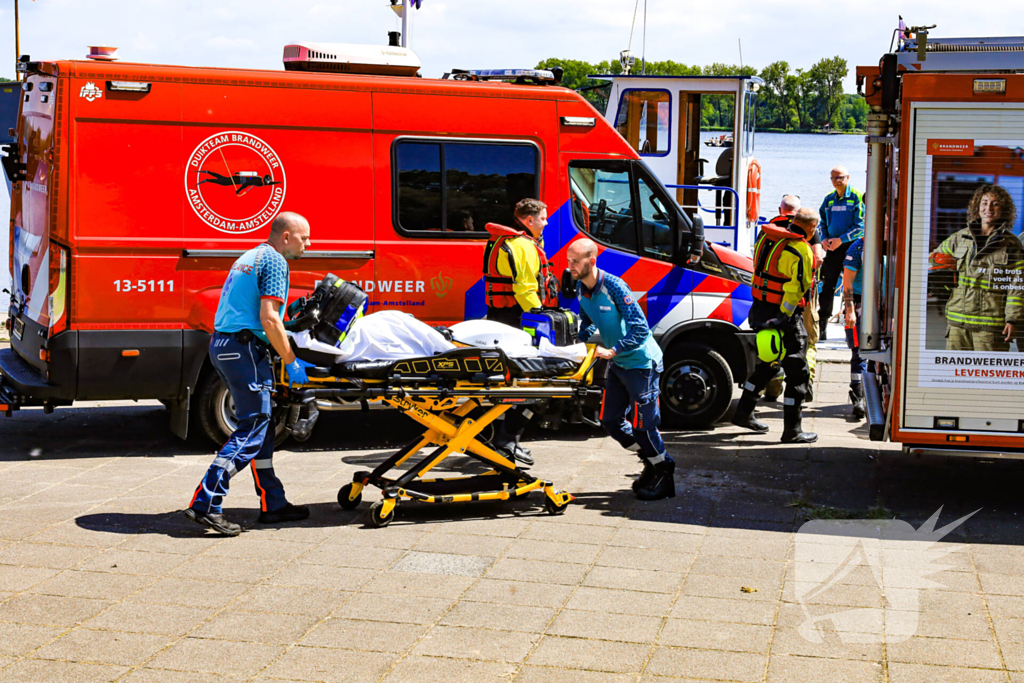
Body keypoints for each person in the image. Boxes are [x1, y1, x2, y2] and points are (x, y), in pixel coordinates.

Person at [185, 212, 313, 536]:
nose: (308, 244)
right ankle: (206, 503)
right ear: (286, 237)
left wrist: (289, 323)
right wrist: (291, 360)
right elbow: (269, 319)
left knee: (263, 425)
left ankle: (274, 503)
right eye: (304, 238)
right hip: (243, 351)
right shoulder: (275, 262)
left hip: (226, 345)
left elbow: (260, 314)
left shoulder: (251, 255)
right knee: (254, 426)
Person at [567, 238, 675, 500]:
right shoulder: (581, 287)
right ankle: (653, 461)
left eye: (575, 261)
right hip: (619, 364)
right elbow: (590, 319)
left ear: (591, 261)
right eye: (569, 260)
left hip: (641, 364)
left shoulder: (615, 286)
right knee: (610, 421)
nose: (569, 266)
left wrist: (613, 350)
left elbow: (640, 327)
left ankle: (664, 472)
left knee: (643, 426)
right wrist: (578, 339)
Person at [482, 198, 560, 465]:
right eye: (543, 218)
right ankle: (506, 440)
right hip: (517, 319)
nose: (546, 222)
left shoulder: (505, 241)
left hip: (502, 317)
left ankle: (502, 439)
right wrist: (544, 318)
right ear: (529, 220)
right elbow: (525, 289)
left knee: (508, 382)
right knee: (532, 382)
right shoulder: (522, 245)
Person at [732, 207, 819, 443]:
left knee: (768, 364)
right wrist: (785, 316)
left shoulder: (767, 238)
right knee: (797, 370)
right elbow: (797, 287)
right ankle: (793, 430)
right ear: (812, 227)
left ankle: (743, 413)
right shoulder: (801, 248)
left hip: (760, 308)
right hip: (783, 313)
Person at [764, 195, 825, 403]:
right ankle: (805, 384)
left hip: (770, 299)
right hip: (801, 299)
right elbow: (817, 260)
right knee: (808, 343)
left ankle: (772, 387)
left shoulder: (771, 229)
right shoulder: (808, 231)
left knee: (773, 345)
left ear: (780, 210)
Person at [817, 166, 865, 340]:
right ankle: (822, 325)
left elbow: (860, 226)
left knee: (851, 286)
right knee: (827, 286)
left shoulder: (857, 197)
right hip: (832, 249)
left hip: (851, 248)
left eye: (841, 177)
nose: (837, 180)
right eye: (834, 178)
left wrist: (841, 240)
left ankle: (850, 325)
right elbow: (821, 222)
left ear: (848, 178)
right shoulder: (829, 199)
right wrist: (823, 239)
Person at [842, 237, 867, 419]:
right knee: (859, 353)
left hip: (885, 304)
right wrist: (850, 310)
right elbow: (847, 282)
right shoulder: (857, 248)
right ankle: (858, 397)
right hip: (859, 305)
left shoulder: (893, 244)